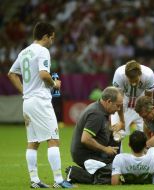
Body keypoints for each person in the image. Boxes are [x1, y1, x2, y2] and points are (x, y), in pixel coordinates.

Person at [8, 22, 72, 188]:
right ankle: (59, 181)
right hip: (40, 101)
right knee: (53, 139)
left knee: (33, 142)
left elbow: (11, 74)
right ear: (45, 37)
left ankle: (35, 180)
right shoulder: (43, 51)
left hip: (28, 102)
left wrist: (24, 91)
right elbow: (44, 74)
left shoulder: (24, 52)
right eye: (52, 38)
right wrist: (55, 85)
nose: (52, 41)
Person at [67, 86, 123, 184]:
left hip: (94, 152)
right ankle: (74, 173)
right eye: (117, 106)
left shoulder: (101, 109)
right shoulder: (96, 114)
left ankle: (100, 170)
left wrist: (112, 131)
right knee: (112, 176)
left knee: (117, 168)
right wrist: (106, 149)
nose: (118, 109)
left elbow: (100, 130)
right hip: (86, 155)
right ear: (109, 101)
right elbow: (85, 139)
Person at [111, 60, 154, 135]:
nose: (133, 84)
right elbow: (119, 100)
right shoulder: (119, 74)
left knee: (146, 134)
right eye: (130, 81)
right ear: (125, 75)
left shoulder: (149, 75)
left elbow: (148, 99)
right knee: (117, 135)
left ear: (140, 74)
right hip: (124, 98)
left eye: (136, 80)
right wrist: (122, 121)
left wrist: (148, 119)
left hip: (141, 98)